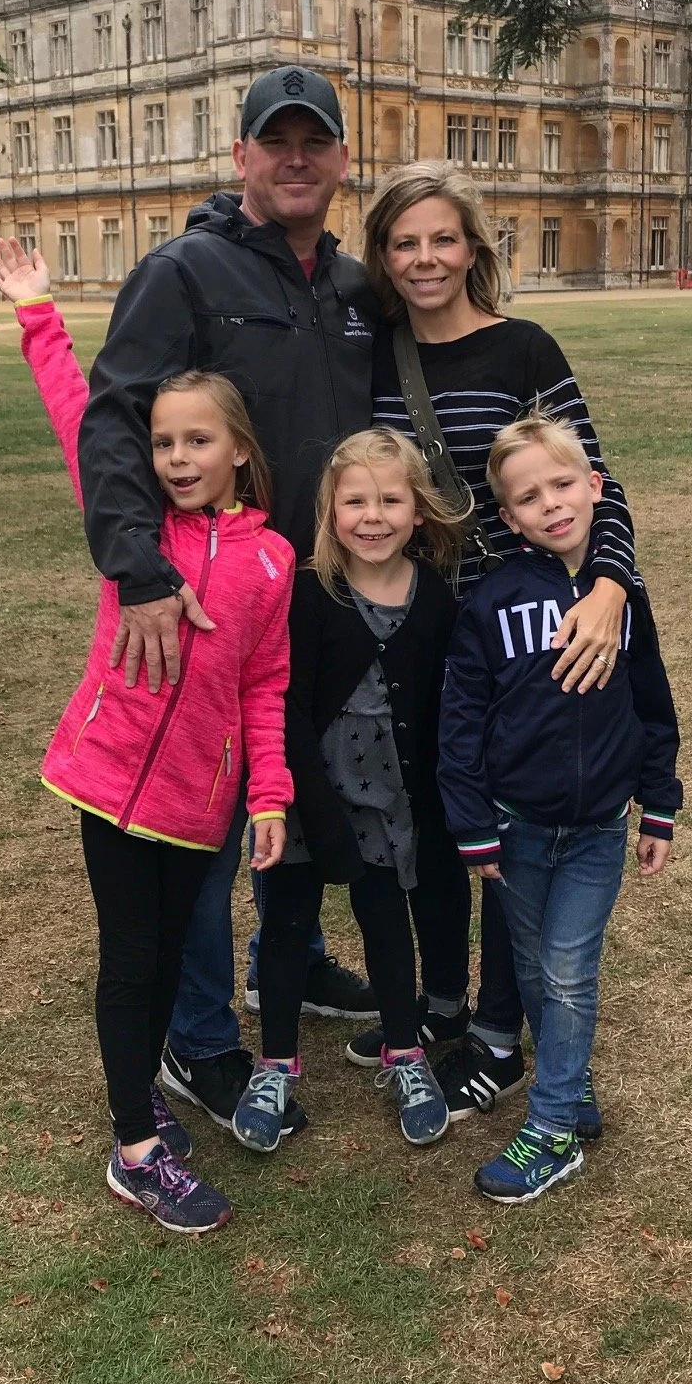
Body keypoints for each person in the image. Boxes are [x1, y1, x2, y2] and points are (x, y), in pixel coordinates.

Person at [76, 66, 380, 1135]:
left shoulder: (355, 289)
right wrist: (141, 575)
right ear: (241, 154)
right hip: (209, 603)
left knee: (294, 790)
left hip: (324, 593)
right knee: (202, 819)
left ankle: (287, 958)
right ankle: (198, 1035)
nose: (296, 159)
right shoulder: (185, 272)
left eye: (315, 142)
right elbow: (115, 420)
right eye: (275, 142)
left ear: (342, 159)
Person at [0, 235, 294, 1236]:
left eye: (197, 442)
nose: (177, 459)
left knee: (164, 960)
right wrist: (38, 312)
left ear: (238, 449)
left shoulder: (273, 563)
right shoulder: (138, 530)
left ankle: (142, 1093)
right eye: (163, 444)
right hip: (109, 778)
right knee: (130, 959)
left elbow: (265, 685)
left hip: (199, 802)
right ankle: (135, 1149)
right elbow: (78, 415)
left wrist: (268, 792)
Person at [360, 163, 636, 1134]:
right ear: (382, 257)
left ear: (473, 246)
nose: (425, 258)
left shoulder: (524, 348)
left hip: (523, 633)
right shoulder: (373, 356)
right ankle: (446, 1005)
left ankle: (497, 1031)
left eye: (443, 238)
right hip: (418, 625)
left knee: (512, 825)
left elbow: (595, 483)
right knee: (440, 813)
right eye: (405, 242)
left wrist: (609, 589)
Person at [439, 416, 683, 1202]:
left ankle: (551, 1130)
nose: (550, 504)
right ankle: (568, 1085)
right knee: (537, 968)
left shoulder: (624, 601)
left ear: (595, 488)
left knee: (570, 971)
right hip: (516, 828)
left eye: (563, 484)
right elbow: (461, 721)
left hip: (597, 831)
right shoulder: (492, 602)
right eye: (528, 497)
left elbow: (653, 704)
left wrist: (660, 804)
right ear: (509, 519)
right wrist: (472, 823)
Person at [233, 429, 468, 1154]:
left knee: (387, 925)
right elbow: (287, 705)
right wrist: (303, 801)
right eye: (355, 501)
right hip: (307, 797)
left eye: (391, 500)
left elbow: (440, 706)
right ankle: (274, 1067)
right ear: (330, 512)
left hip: (390, 801)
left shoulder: (434, 597)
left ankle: (405, 1052)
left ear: (418, 512)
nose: (373, 517)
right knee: (286, 929)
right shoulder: (307, 593)